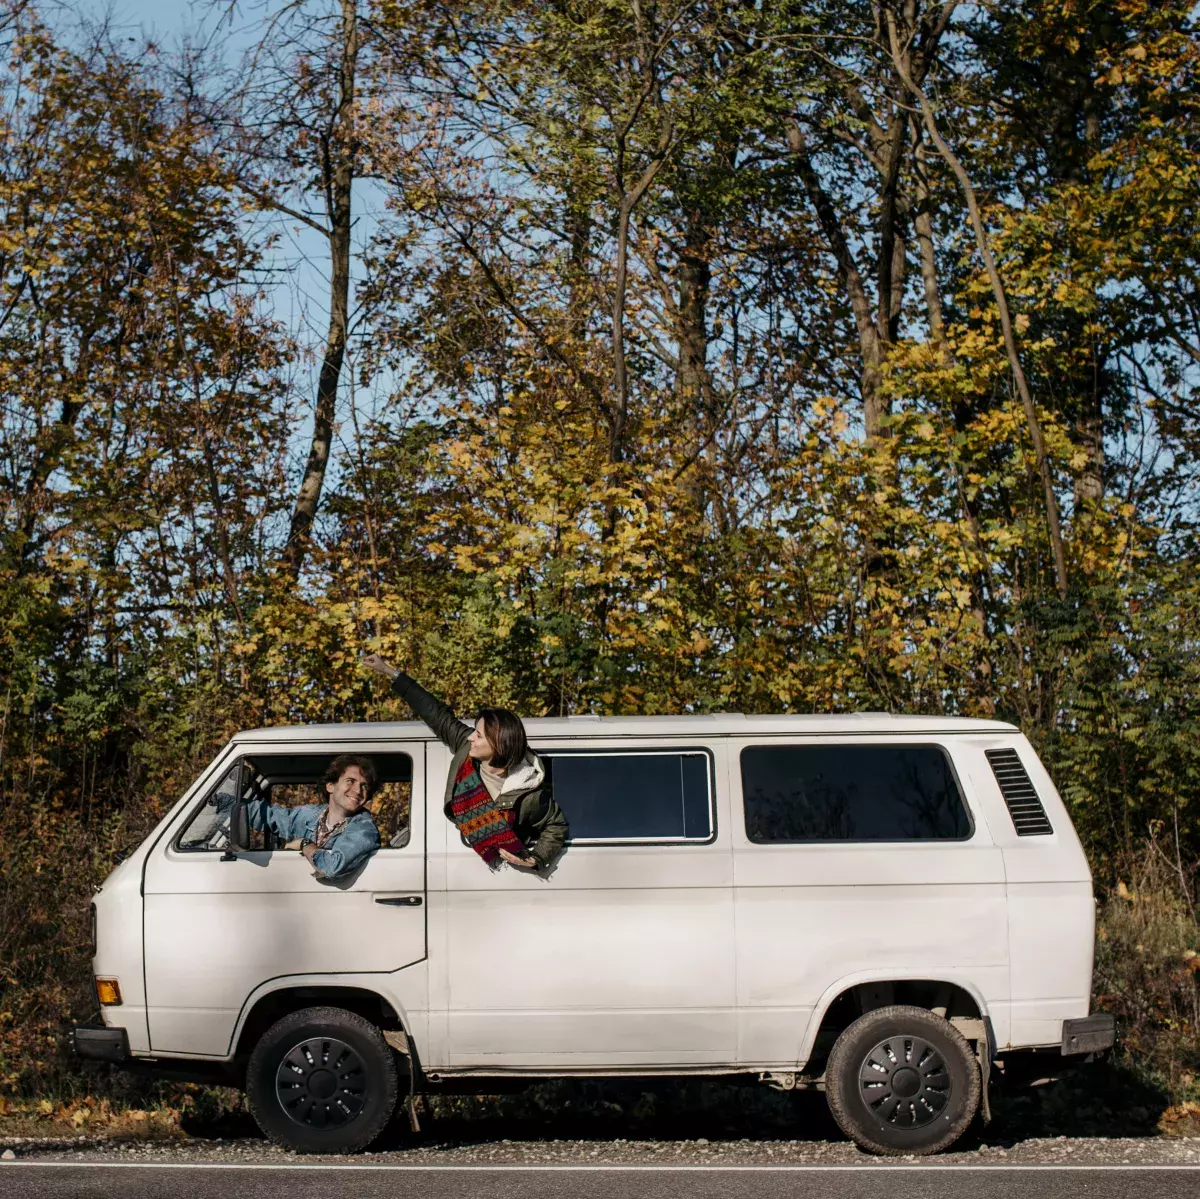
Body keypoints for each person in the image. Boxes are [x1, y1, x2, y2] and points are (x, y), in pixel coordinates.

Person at [362, 654, 567, 870]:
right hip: (464, 866)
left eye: (478, 735)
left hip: (502, 874)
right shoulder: (465, 750)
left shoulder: (528, 792)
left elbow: (556, 824)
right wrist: (389, 671)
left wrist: (536, 858)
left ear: (498, 745)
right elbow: (435, 713)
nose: (470, 737)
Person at [240, 753, 381, 881]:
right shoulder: (309, 815)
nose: (357, 790)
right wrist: (223, 804)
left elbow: (331, 868)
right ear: (330, 786)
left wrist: (305, 844)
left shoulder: (364, 828)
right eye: (350, 781)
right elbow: (268, 816)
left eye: (364, 786)